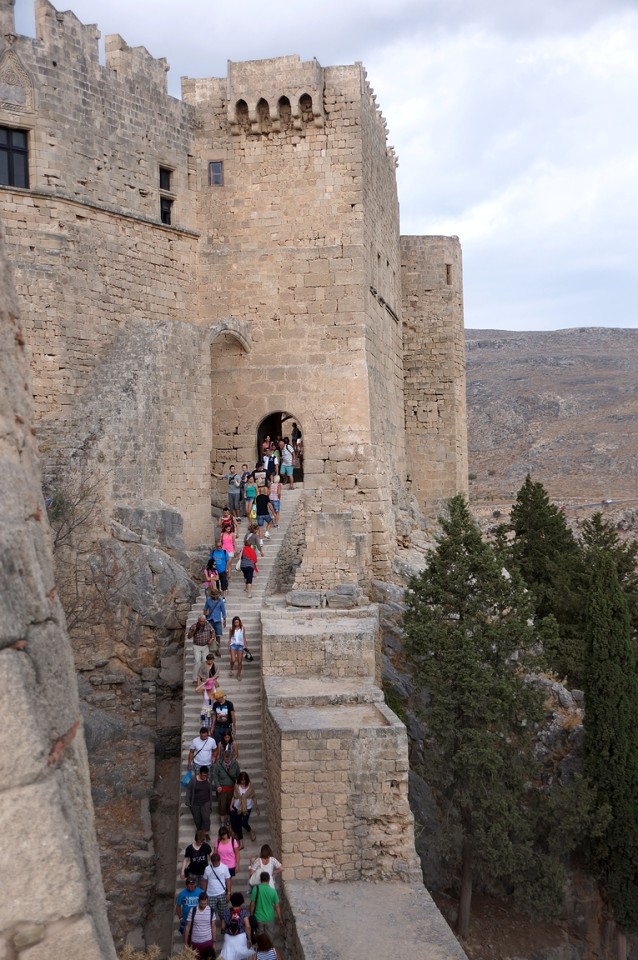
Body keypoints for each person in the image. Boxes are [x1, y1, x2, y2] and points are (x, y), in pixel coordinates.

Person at [212, 738, 241, 828]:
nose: (227, 760)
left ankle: (228, 820)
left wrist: (238, 787)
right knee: (222, 806)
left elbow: (238, 776)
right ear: (223, 757)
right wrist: (218, 786)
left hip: (232, 789)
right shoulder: (218, 765)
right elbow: (215, 776)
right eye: (225, 758)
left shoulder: (235, 764)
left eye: (228, 758)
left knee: (230, 805)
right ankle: (222, 822)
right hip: (222, 789)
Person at [202, 850, 231, 932]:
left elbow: (228, 880)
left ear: (219, 861)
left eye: (216, 863)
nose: (215, 864)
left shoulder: (224, 867)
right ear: (211, 861)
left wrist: (228, 893)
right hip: (210, 894)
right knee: (211, 913)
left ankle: (223, 927)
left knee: (223, 912)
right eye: (213, 863)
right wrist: (203, 893)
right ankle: (212, 927)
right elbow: (205, 881)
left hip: (221, 893)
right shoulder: (207, 869)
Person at [249, 872, 284, 940]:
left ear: (260, 879)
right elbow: (277, 906)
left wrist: (251, 915)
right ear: (269, 880)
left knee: (260, 936)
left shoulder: (256, 889)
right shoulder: (273, 891)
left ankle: (261, 946)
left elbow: (252, 904)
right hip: (269, 917)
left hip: (258, 917)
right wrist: (280, 919)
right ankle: (269, 946)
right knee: (270, 936)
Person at [183, 890, 216, 959]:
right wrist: (185, 943)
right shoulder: (193, 910)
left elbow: (213, 927)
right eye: (201, 903)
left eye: (205, 903)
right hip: (195, 943)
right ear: (198, 901)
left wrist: (214, 942)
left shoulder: (211, 911)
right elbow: (188, 927)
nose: (203, 905)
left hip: (208, 942)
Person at [220, 892, 253, 960]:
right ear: (241, 902)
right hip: (240, 936)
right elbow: (248, 927)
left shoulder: (226, 911)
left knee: (229, 956)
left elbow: (223, 927)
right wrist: (249, 939)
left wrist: (224, 931)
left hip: (228, 936)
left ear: (231, 901)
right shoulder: (243, 912)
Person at [230, 771, 259, 848]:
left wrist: (256, 807)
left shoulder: (250, 786)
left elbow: (253, 797)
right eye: (241, 780)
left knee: (244, 823)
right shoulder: (237, 786)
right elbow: (234, 796)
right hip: (237, 807)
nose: (243, 781)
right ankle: (241, 842)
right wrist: (231, 806)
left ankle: (250, 831)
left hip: (247, 807)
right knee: (236, 823)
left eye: (244, 780)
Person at [187, 765, 214, 834]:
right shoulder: (193, 780)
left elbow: (210, 791)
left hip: (206, 802)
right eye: (203, 775)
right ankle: (199, 830)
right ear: (200, 773)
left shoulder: (208, 780)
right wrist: (188, 801)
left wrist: (210, 804)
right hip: (196, 803)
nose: (204, 777)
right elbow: (189, 789)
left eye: (206, 775)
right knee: (197, 818)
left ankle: (207, 831)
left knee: (206, 817)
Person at [188, 615, 213, 684]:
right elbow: (189, 637)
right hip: (197, 646)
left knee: (205, 661)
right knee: (197, 661)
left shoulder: (208, 625)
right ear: (198, 621)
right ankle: (195, 679)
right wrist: (193, 631)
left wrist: (212, 639)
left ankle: (203, 677)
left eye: (203, 621)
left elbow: (213, 632)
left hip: (205, 646)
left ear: (205, 621)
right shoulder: (194, 626)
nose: (202, 623)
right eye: (200, 621)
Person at [203, 588, 227, 656]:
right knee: (210, 634)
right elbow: (205, 609)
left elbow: (223, 611)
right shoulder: (208, 601)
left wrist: (224, 620)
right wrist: (205, 616)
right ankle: (210, 647)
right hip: (210, 620)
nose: (215, 597)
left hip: (218, 620)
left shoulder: (220, 602)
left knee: (218, 635)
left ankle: (217, 649)